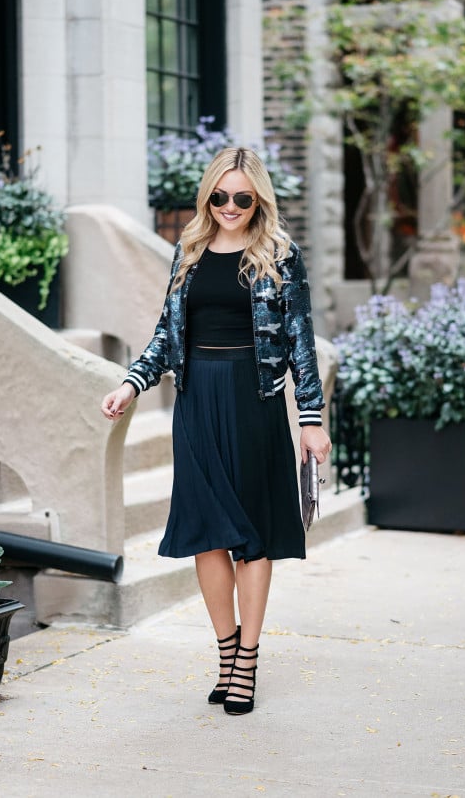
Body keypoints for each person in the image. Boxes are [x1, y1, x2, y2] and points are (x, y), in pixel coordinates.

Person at [101, 147, 331, 715]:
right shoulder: (189, 251)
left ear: (259, 200)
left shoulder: (279, 254)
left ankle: (246, 663)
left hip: (254, 404)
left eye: (242, 198)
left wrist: (310, 419)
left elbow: (301, 341)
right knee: (208, 533)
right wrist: (131, 384)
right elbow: (165, 333)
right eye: (219, 196)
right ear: (207, 198)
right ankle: (226, 652)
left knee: (251, 539)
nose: (229, 207)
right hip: (198, 401)